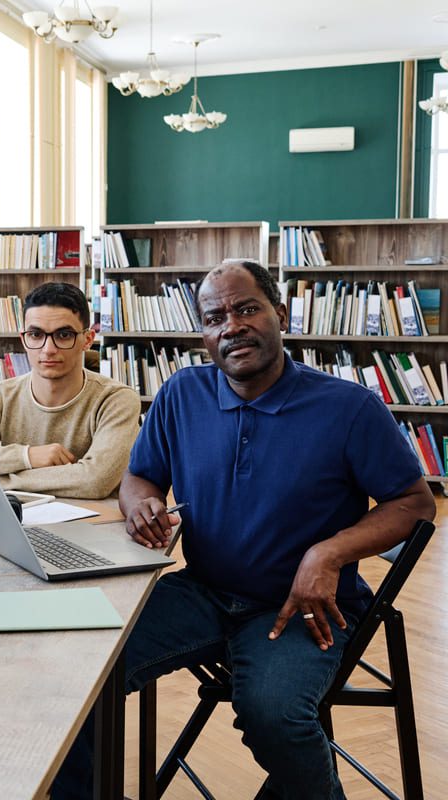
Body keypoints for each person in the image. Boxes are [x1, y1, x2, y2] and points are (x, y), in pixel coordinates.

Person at [52, 260, 436, 799]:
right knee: (79, 673)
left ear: (280, 313)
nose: (231, 325)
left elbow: (415, 504)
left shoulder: (348, 408)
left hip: (302, 608)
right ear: (204, 333)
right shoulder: (182, 395)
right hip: (202, 591)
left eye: (246, 308)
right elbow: (140, 475)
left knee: (275, 716)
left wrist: (327, 554)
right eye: (214, 317)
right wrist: (141, 502)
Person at [0, 282, 139, 499]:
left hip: (97, 530)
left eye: (63, 335)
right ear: (23, 339)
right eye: (36, 335)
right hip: (19, 524)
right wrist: (26, 456)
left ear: (87, 340)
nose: (48, 349)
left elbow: (94, 481)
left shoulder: (116, 400)